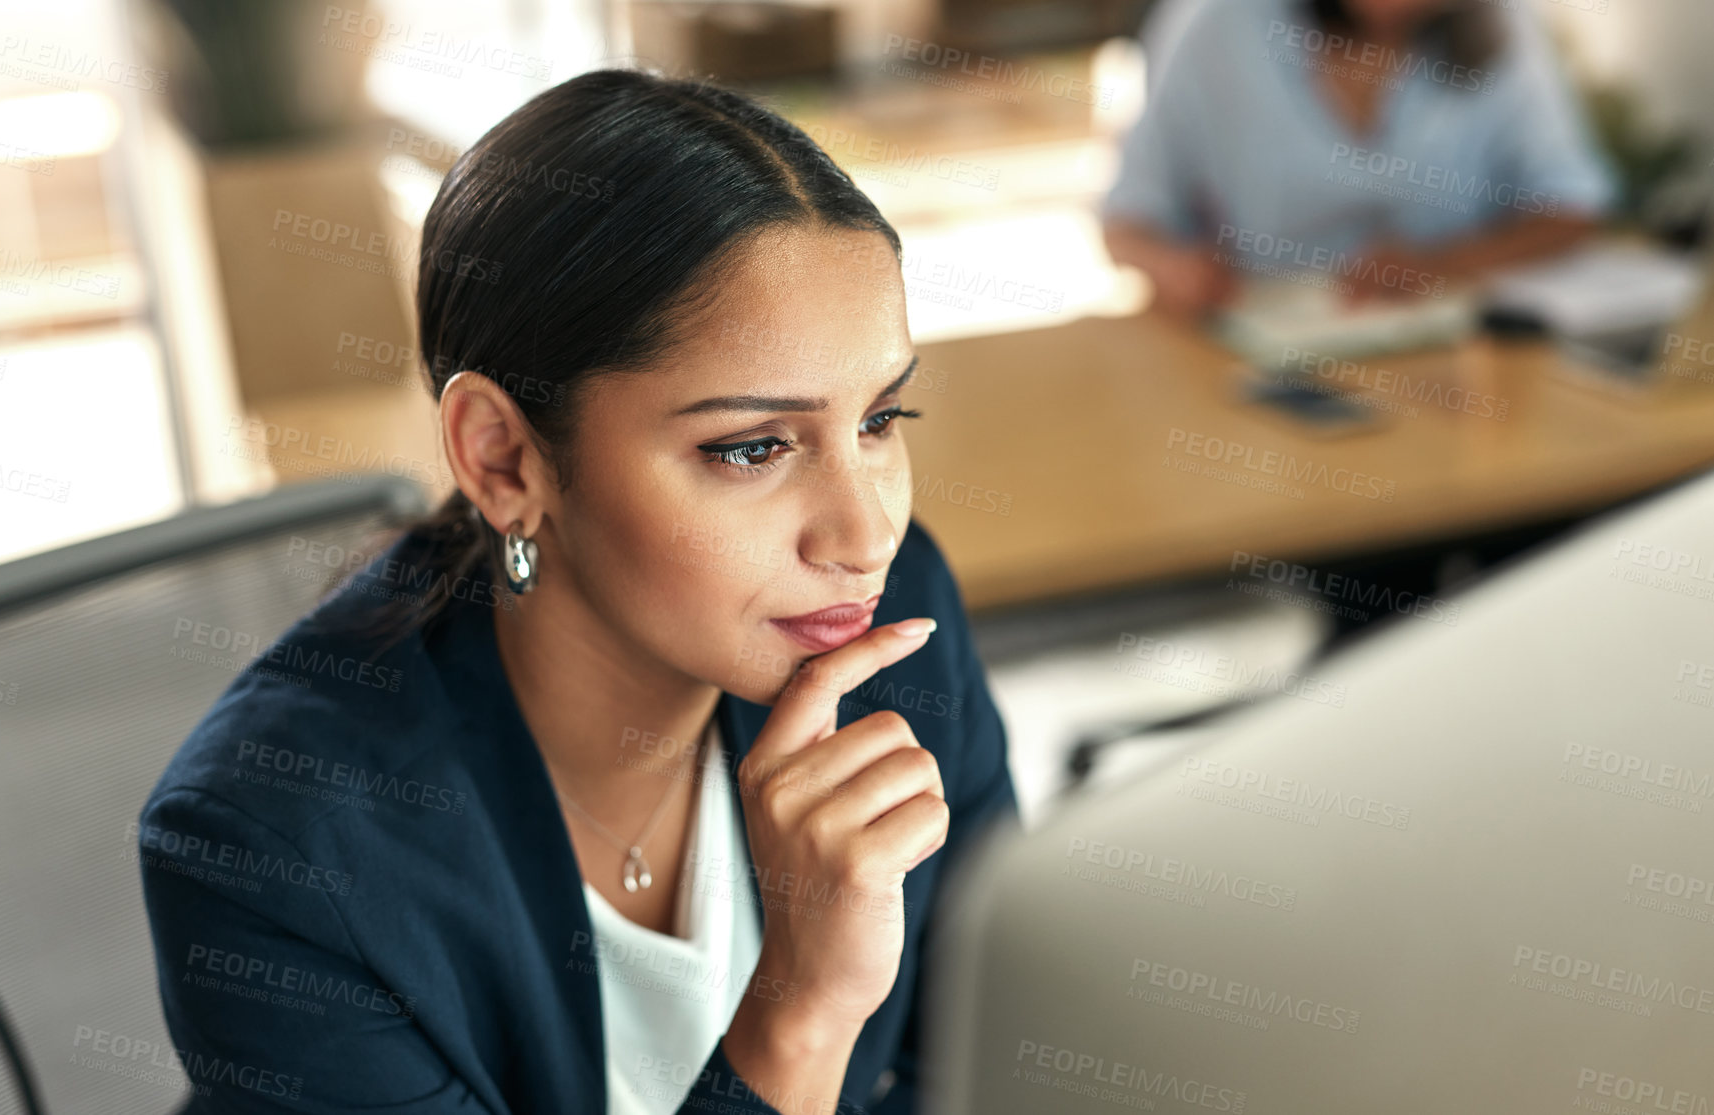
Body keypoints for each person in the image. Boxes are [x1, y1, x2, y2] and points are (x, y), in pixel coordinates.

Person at [135, 69, 1017, 1115]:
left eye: (879, 420)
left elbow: (992, 1048)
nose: (865, 532)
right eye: (750, 447)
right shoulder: (273, 851)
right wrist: (802, 1009)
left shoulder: (889, 622)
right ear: (506, 459)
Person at [1102, 0, 1618, 317]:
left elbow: (1571, 204)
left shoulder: (1502, 22)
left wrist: (1438, 267)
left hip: (1451, 365)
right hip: (1256, 360)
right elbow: (1126, 222)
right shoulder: (1217, 24)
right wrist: (1176, 270)